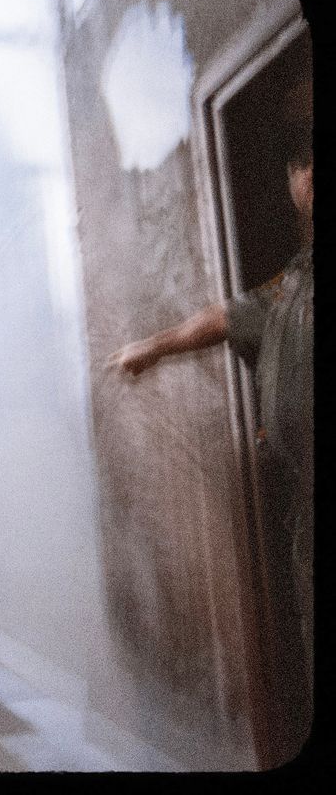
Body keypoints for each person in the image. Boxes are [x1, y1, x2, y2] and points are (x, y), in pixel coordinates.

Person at [107, 78, 314, 692]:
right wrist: (151, 348)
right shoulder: (294, 279)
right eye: (303, 169)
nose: (311, 179)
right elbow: (228, 317)